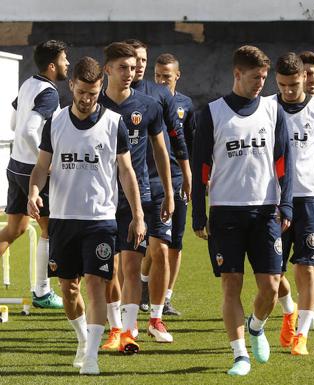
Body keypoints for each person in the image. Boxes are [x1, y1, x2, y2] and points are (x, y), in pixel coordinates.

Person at [27, 56, 145, 375]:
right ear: (71, 86)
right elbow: (41, 167)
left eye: (93, 93)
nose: (87, 99)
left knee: (96, 284)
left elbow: (126, 171)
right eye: (82, 92)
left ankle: (91, 356)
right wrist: (35, 192)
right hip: (64, 219)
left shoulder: (113, 123)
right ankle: (82, 338)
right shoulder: (57, 122)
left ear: (100, 87)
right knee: (69, 289)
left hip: (100, 220)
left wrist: (138, 215)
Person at [192, 45, 293, 376]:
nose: (260, 83)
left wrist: (287, 202)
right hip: (226, 212)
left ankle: (256, 326)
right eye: (255, 77)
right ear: (237, 74)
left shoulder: (273, 110)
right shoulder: (212, 113)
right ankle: (239, 355)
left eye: (264, 77)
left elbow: (284, 162)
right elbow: (201, 167)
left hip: (265, 211)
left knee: (272, 286)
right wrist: (198, 213)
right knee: (231, 284)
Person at [98, 42, 173, 353]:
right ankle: (114, 327)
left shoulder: (148, 106)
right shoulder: (94, 105)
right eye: (122, 68)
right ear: (107, 70)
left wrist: (169, 192)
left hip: (136, 197)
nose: (129, 73)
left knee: (131, 265)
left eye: (132, 68)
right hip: (100, 199)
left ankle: (129, 331)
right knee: (107, 268)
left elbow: (160, 150)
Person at [124, 41, 190, 334]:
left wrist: (185, 175)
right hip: (123, 188)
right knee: (125, 257)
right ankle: (120, 321)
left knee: (162, 249)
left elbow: (175, 140)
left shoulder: (161, 95)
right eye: (133, 60)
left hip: (159, 186)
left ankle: (156, 315)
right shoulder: (109, 97)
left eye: (142, 59)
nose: (138, 65)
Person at [5, 40, 69, 309]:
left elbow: (13, 122)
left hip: (14, 165)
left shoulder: (28, 83)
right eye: (65, 59)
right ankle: (42, 293)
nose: (68, 64)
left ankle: (42, 291)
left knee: (15, 229)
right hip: (33, 171)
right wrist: (47, 162)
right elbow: (30, 129)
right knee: (50, 229)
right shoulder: (50, 93)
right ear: (52, 65)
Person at [272, 52, 314, 355]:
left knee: (306, 268)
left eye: (293, 84)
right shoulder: (267, 107)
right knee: (272, 273)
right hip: (274, 198)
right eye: (283, 85)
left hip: (309, 197)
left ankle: (302, 334)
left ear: (305, 77)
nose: (289, 91)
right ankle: (288, 309)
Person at [153, 52, 194, 316]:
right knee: (154, 241)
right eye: (157, 76)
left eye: (166, 77)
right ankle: (146, 288)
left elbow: (190, 143)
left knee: (175, 241)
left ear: (177, 76)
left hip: (178, 180)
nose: (160, 81)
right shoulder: (148, 101)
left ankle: (166, 296)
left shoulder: (185, 105)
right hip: (153, 179)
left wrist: (193, 178)